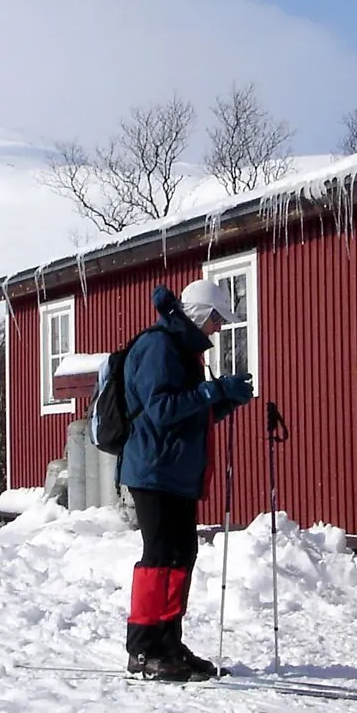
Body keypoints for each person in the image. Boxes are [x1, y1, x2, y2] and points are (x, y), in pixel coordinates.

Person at [119, 279, 255, 682]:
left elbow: (186, 412)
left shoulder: (183, 350)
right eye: (216, 320)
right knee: (159, 559)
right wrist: (213, 392)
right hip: (153, 470)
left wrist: (222, 402)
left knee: (181, 558)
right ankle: (143, 650)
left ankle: (168, 643)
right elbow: (160, 410)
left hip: (175, 472)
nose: (217, 329)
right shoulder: (159, 346)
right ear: (201, 314)